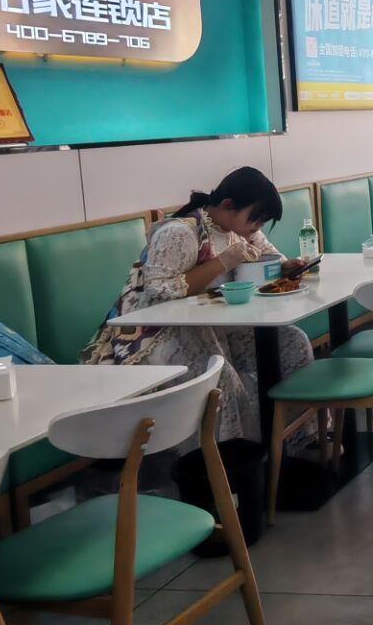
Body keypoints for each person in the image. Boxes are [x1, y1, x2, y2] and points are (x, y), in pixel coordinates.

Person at [85, 167, 313, 446]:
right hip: (159, 333)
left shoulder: (242, 231)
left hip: (215, 325)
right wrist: (223, 262)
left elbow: (269, 256)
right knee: (220, 377)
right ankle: (231, 460)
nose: (258, 228)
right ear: (228, 206)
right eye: (255, 219)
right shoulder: (180, 232)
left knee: (292, 344)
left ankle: (298, 440)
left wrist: (285, 266)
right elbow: (160, 290)